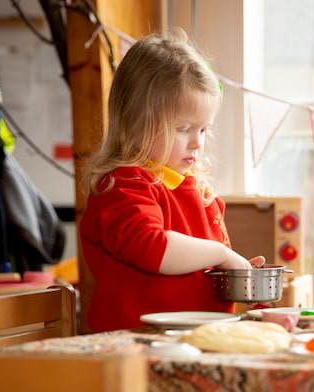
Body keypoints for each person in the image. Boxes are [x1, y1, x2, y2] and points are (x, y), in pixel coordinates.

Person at [79, 30, 263, 332]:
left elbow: (198, 269)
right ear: (136, 123)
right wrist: (222, 255)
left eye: (203, 130)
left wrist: (237, 277)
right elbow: (152, 247)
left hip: (192, 341)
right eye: (183, 128)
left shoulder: (197, 192)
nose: (196, 143)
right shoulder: (122, 185)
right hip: (135, 345)